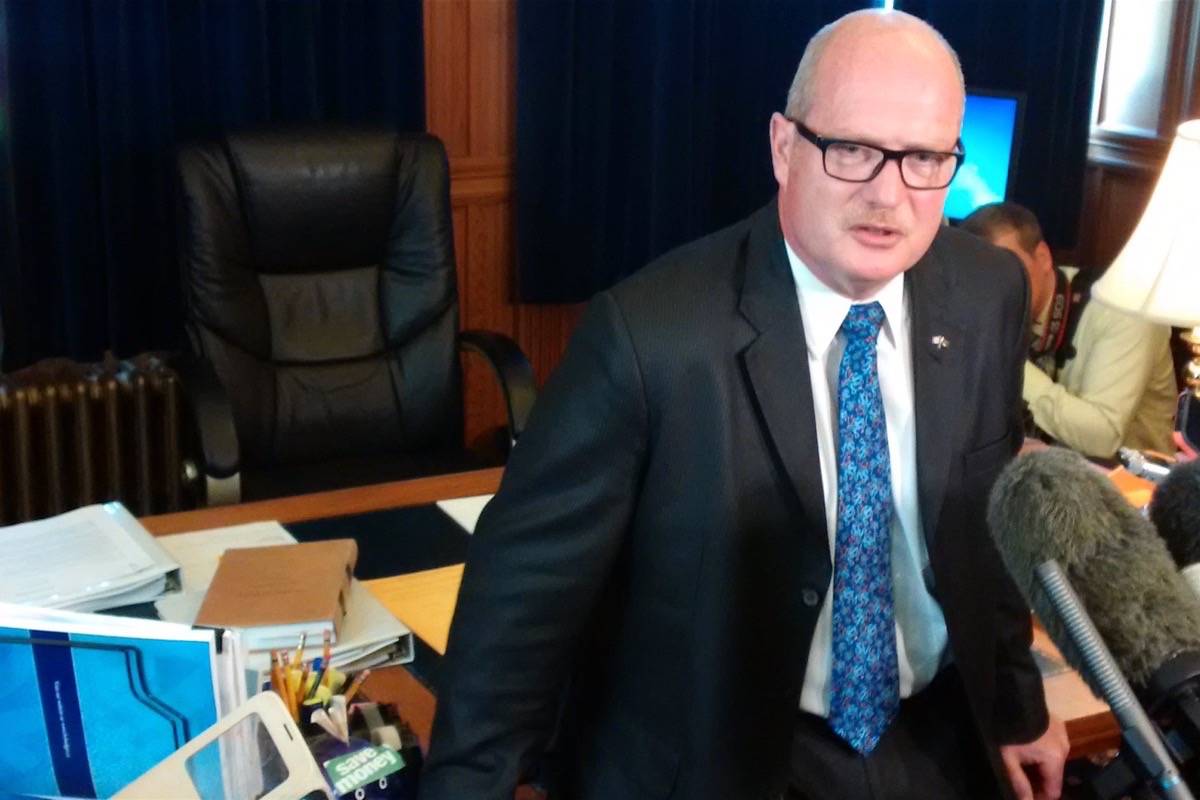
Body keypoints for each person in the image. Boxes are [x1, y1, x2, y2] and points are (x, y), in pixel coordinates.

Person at [420, 10, 1067, 800]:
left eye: (926, 158)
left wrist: (1017, 705)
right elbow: (518, 606)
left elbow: (986, 526)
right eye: (854, 149)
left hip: (932, 734)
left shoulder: (989, 292)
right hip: (724, 758)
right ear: (784, 146)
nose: (889, 195)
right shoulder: (648, 335)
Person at [962, 201, 1177, 459]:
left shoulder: (1121, 308)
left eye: (1006, 268)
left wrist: (1009, 362)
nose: (995, 289)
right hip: (1044, 474)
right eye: (980, 278)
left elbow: (1102, 436)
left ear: (1042, 258)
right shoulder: (988, 311)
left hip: (1128, 485)